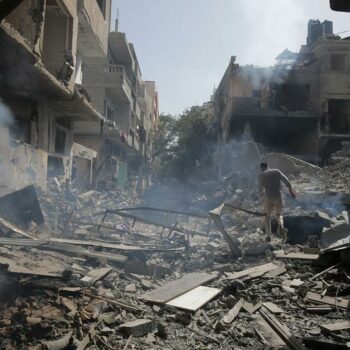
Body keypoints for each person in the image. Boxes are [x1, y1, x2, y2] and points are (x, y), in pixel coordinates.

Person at [258, 162, 296, 242]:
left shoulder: (261, 175)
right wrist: (291, 192)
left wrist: (262, 198)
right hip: (278, 197)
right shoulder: (276, 171)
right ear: (268, 166)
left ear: (261, 168)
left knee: (267, 217)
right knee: (278, 215)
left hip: (268, 197)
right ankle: (281, 226)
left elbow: (260, 189)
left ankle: (268, 237)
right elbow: (287, 181)